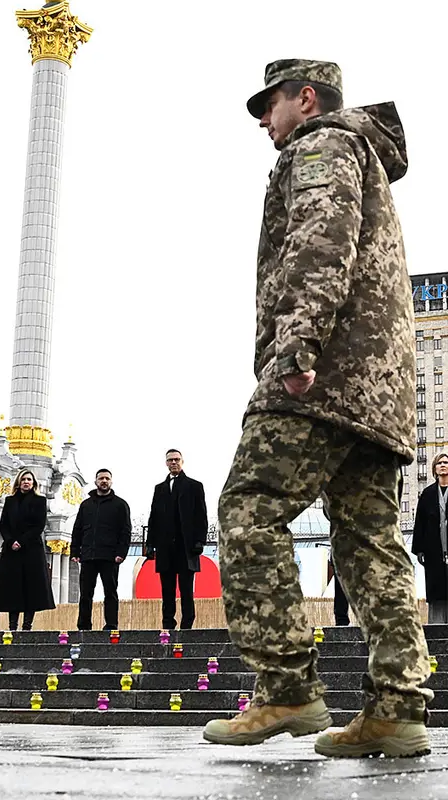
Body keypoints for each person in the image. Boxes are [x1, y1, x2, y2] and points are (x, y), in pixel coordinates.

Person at [205, 60, 432, 758]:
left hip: (324, 377)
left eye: (268, 104)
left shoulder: (323, 145)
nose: (262, 121)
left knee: (249, 509)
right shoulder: (361, 154)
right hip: (379, 394)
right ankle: (396, 710)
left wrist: (296, 345)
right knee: (369, 545)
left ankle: (285, 688)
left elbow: (318, 245)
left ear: (306, 98)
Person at [145, 450, 208, 630]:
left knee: (187, 590)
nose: (174, 462)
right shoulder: (160, 488)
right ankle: (168, 624)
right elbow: (153, 518)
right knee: (167, 590)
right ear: (166, 463)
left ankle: (187, 625)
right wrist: (150, 544)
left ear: (182, 461)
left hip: (186, 547)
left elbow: (201, 516)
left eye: (177, 459)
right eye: (170, 460)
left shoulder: (195, 486)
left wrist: (199, 541)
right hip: (165, 548)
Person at [0, 468, 55, 630]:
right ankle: (12, 625)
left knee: (31, 587)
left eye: (29, 479)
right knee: (13, 587)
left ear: (33, 483)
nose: (26, 482)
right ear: (18, 482)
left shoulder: (39, 501)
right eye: (24, 479)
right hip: (11, 550)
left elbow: (38, 526)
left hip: (31, 550)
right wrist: (11, 541)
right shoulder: (10, 501)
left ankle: (27, 625)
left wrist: (21, 541)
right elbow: (3, 524)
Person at [70, 469, 131, 631]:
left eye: (107, 478)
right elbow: (78, 529)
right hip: (88, 556)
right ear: (96, 481)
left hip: (110, 557)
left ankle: (111, 625)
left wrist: (121, 553)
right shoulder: (86, 505)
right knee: (85, 594)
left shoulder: (120, 504)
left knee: (110, 593)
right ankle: (83, 626)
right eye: (101, 478)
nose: (104, 481)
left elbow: (125, 531)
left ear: (111, 481)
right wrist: (75, 551)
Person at [412, 453, 448, 623]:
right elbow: (420, 522)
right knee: (437, 591)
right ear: (434, 468)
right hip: (434, 550)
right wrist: (419, 549)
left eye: (446, 462)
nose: (443, 465)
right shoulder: (427, 494)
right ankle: (437, 629)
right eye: (439, 463)